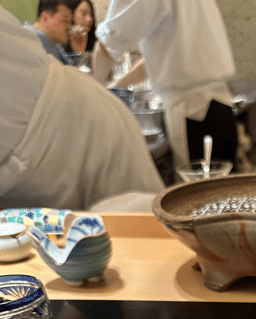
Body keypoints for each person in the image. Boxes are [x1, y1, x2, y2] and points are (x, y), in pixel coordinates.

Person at [0, 7, 164, 211]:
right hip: (70, 125)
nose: (73, 25)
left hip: (83, 129)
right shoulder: (45, 43)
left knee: (145, 224)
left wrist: (107, 83)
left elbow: (109, 44)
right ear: (45, 17)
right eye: (67, 19)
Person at [93, 0, 238, 170]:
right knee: (221, 185)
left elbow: (109, 43)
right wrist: (117, 85)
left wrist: (93, 92)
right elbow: (165, 58)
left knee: (200, 185)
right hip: (218, 108)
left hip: (194, 113)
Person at [24, 0, 87, 65]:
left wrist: (78, 52)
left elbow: (71, 68)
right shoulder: (27, 40)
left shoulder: (53, 42)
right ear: (45, 18)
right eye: (65, 21)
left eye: (70, 22)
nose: (69, 27)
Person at [64, 0, 97, 68]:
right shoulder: (60, 40)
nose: (89, 19)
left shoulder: (96, 39)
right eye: (84, 14)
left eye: (91, 15)